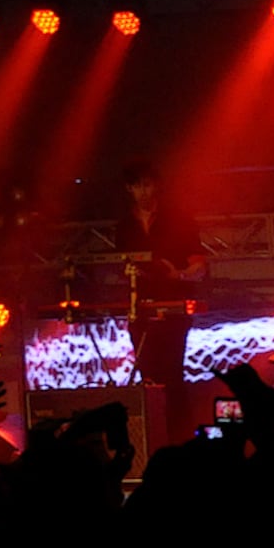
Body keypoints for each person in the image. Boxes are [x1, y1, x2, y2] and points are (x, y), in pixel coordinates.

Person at [115, 159, 208, 388]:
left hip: (173, 309)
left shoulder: (179, 220)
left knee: (172, 374)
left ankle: (176, 421)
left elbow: (200, 266)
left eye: (146, 185)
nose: (142, 192)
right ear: (129, 189)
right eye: (137, 187)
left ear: (156, 186)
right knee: (147, 376)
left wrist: (178, 275)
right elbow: (119, 266)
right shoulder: (124, 225)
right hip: (140, 310)